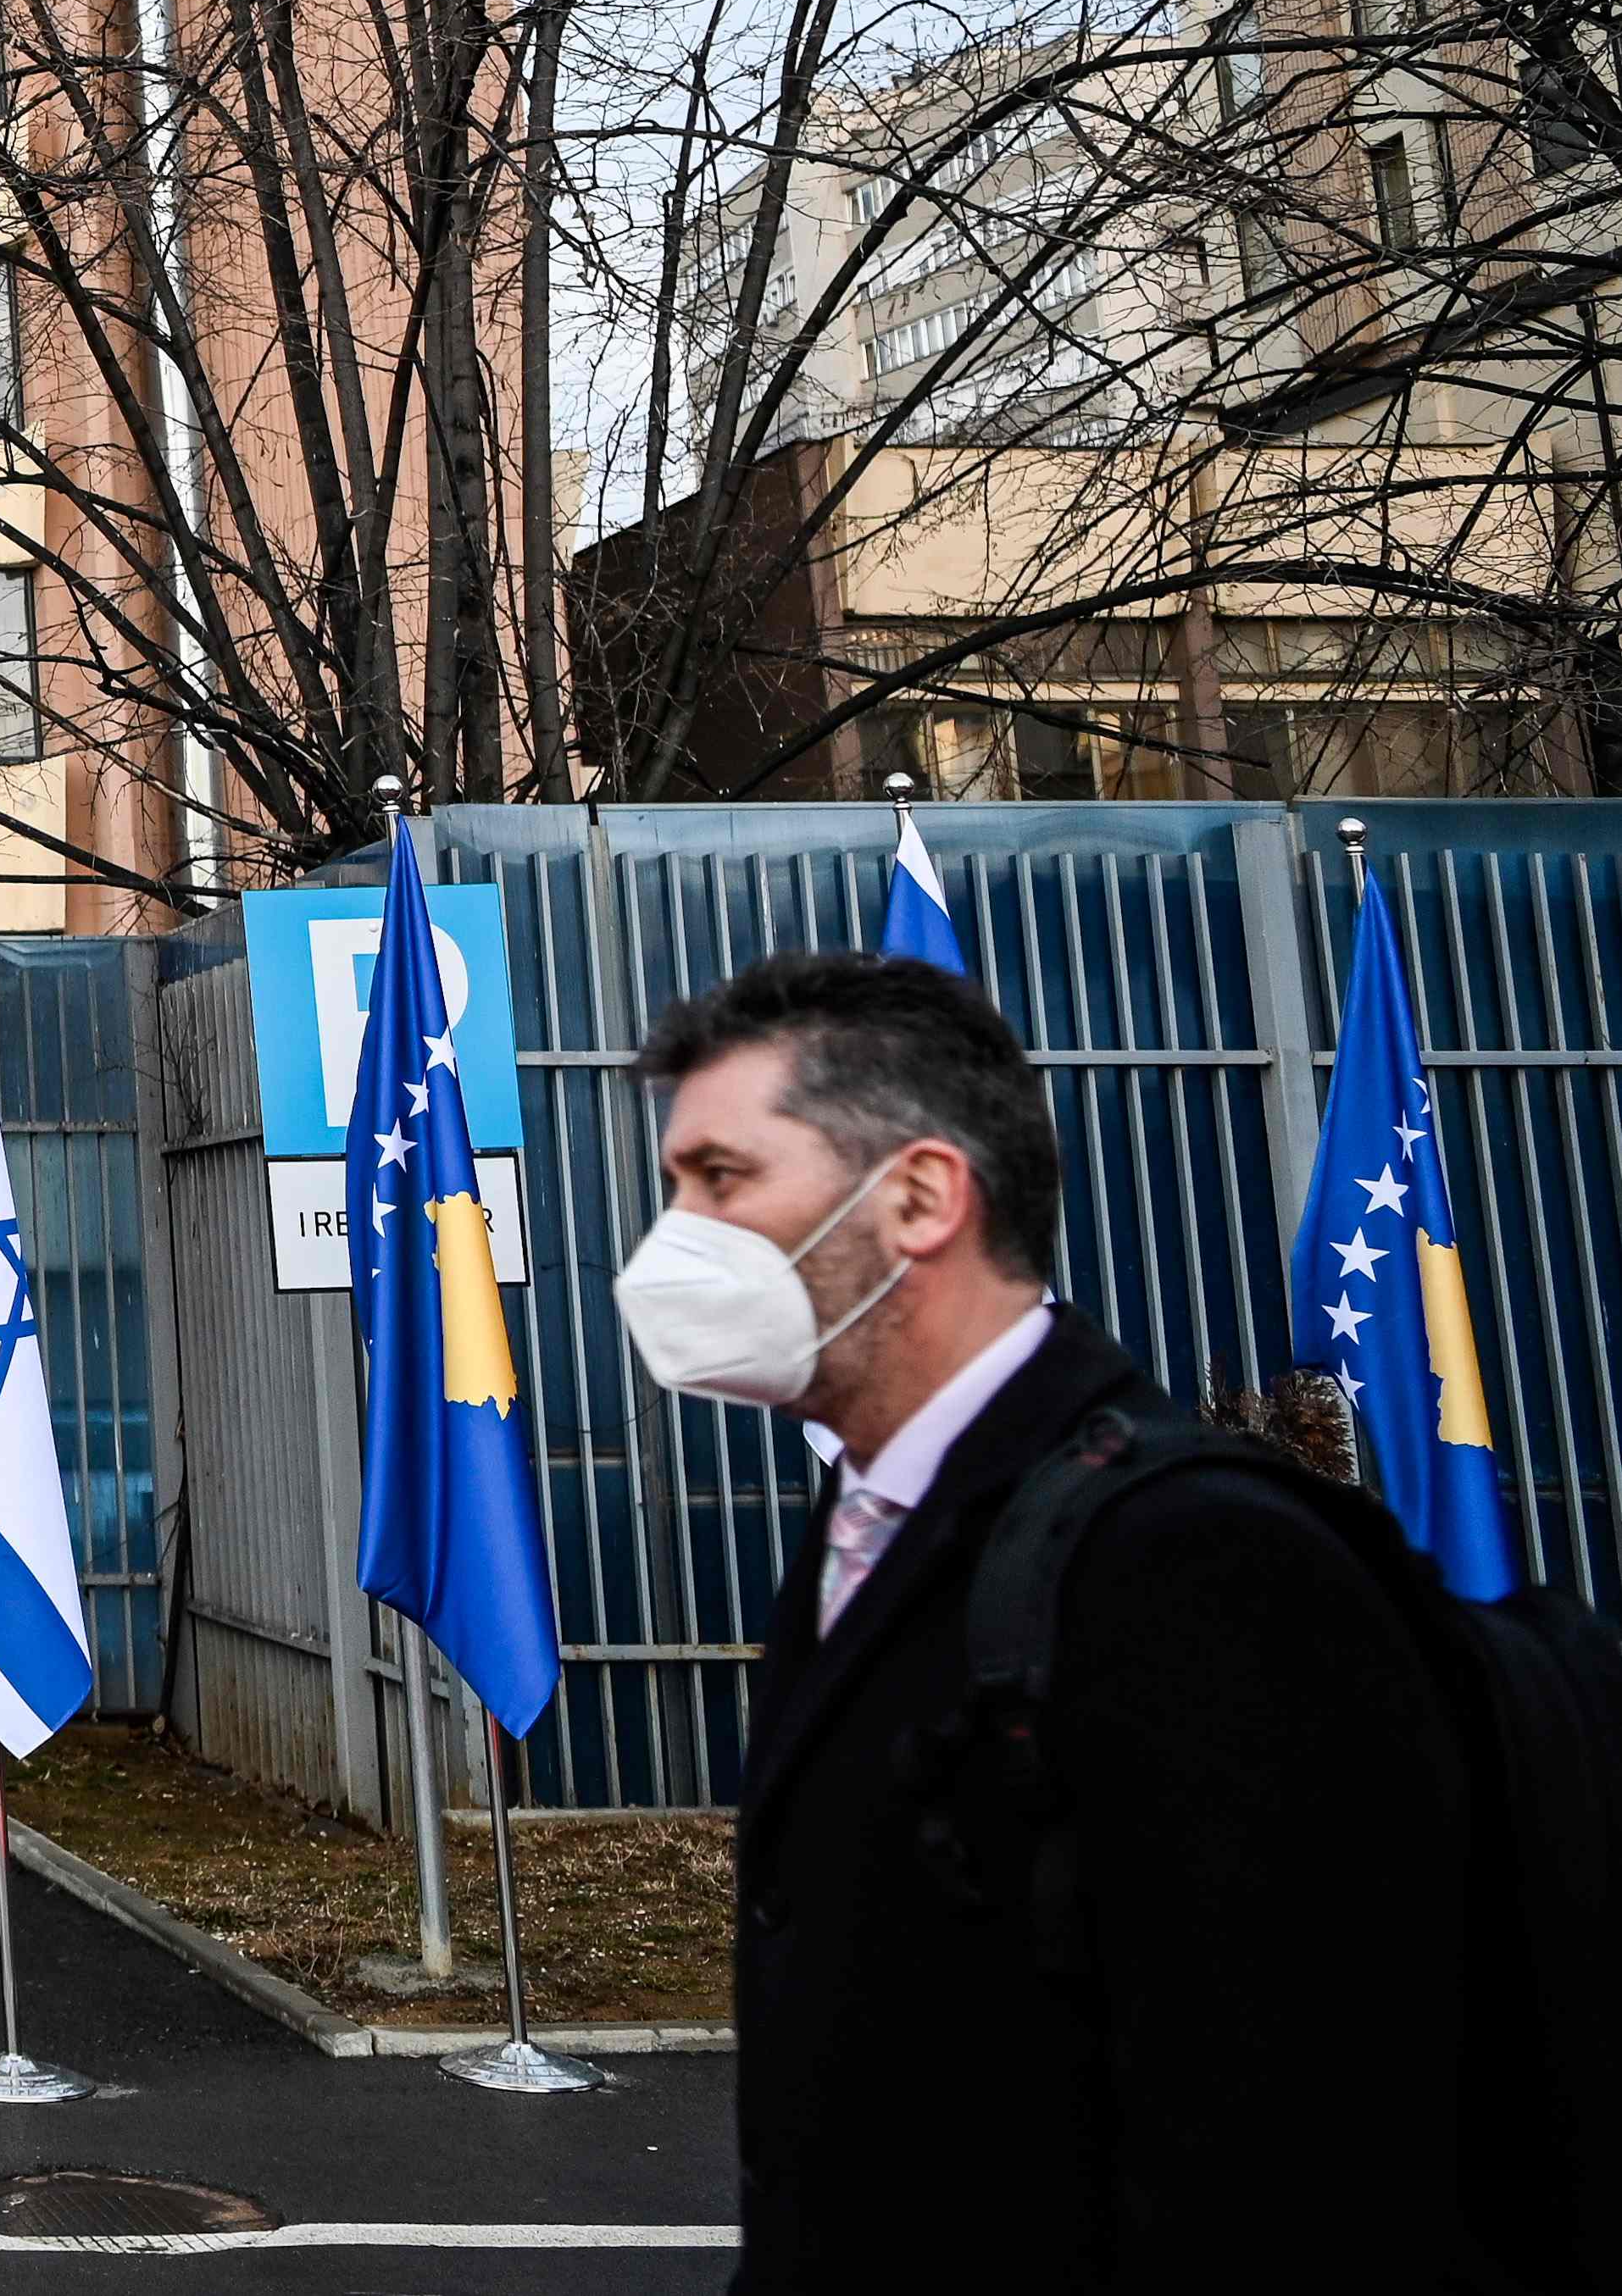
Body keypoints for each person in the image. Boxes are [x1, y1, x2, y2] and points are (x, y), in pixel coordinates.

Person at [630, 951, 1541, 2293]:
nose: (676, 1242)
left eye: (721, 1179)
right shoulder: (870, 1514)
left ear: (924, 1196)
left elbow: (1305, 2168)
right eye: (676, 1188)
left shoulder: (1196, 1560)